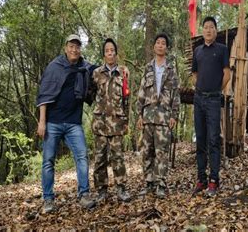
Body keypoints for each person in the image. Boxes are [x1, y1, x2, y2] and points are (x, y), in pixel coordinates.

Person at [36, 34, 97, 213]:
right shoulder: (54, 67)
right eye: (71, 46)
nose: (74, 50)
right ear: (65, 48)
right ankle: (48, 199)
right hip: (52, 122)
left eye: (77, 47)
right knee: (48, 161)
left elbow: (101, 70)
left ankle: (84, 195)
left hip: (73, 123)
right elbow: (44, 95)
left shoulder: (84, 67)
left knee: (82, 157)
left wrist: (121, 68)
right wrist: (42, 122)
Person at [136, 33, 180, 198]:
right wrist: (139, 115)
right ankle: (148, 183)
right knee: (147, 151)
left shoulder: (171, 70)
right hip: (147, 117)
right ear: (154, 47)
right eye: (158, 43)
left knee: (162, 151)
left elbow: (176, 95)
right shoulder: (148, 68)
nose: (160, 45)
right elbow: (141, 92)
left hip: (164, 117)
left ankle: (160, 183)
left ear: (166, 48)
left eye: (163, 43)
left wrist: (174, 115)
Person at [191, 16, 230, 197]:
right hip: (198, 100)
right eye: (205, 27)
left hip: (214, 100)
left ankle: (214, 180)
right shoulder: (197, 50)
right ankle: (201, 179)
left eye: (211, 27)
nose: (208, 30)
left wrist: (215, 90)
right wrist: (199, 88)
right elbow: (194, 74)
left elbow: (227, 74)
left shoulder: (222, 50)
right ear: (202, 30)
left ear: (215, 30)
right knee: (200, 140)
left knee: (213, 139)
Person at [91, 38, 131, 203]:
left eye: (112, 50)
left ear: (116, 53)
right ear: (104, 54)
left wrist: (126, 120)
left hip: (117, 122)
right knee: (100, 158)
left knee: (118, 157)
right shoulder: (96, 73)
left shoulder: (123, 73)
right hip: (100, 123)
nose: (110, 53)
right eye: (107, 50)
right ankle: (102, 190)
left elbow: (127, 98)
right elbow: (92, 95)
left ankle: (121, 189)